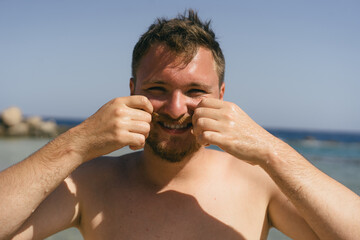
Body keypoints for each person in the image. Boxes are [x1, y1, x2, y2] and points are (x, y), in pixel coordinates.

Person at [1, 10, 359, 240]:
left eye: (195, 91)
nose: (175, 109)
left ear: (221, 96)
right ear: (131, 91)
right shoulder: (92, 183)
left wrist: (269, 149)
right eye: (158, 89)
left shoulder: (258, 183)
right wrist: (78, 143)